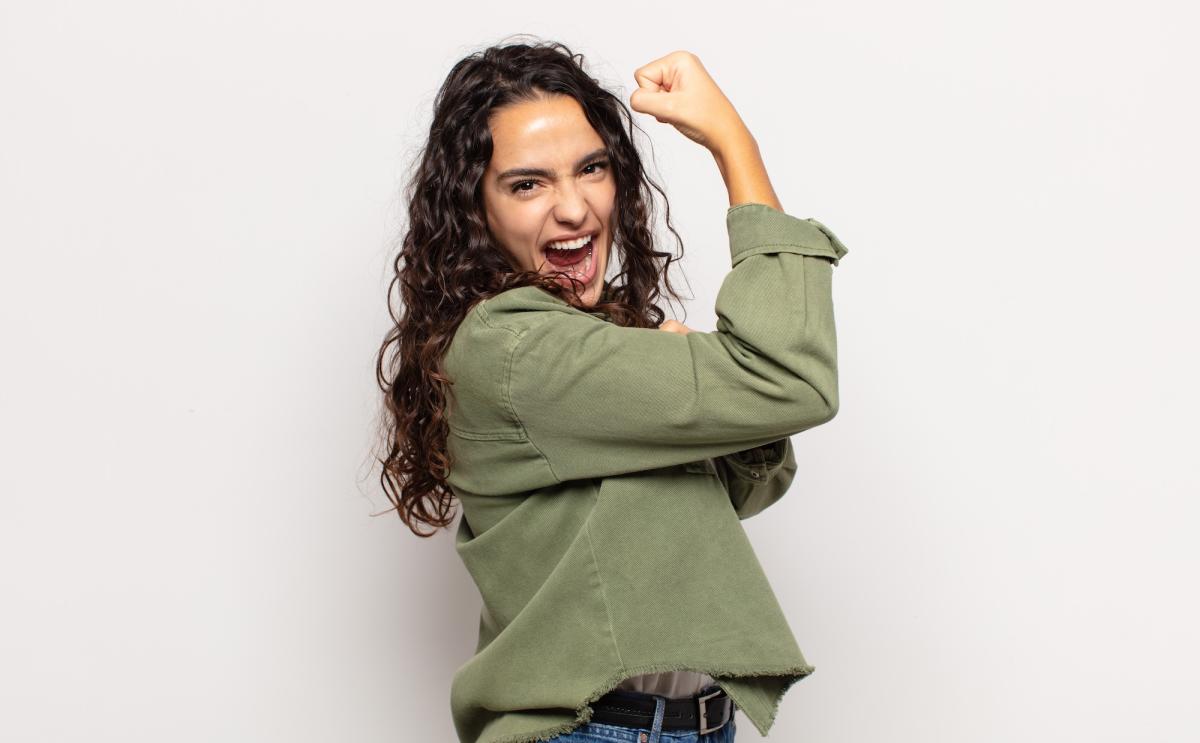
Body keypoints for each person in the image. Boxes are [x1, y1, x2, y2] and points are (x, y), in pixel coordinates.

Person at [375, 38, 849, 743]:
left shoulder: (582, 338)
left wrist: (730, 406)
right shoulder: (517, 349)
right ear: (475, 209)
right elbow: (794, 378)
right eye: (528, 184)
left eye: (591, 168)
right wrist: (734, 144)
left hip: (684, 726)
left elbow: (734, 494)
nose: (573, 208)